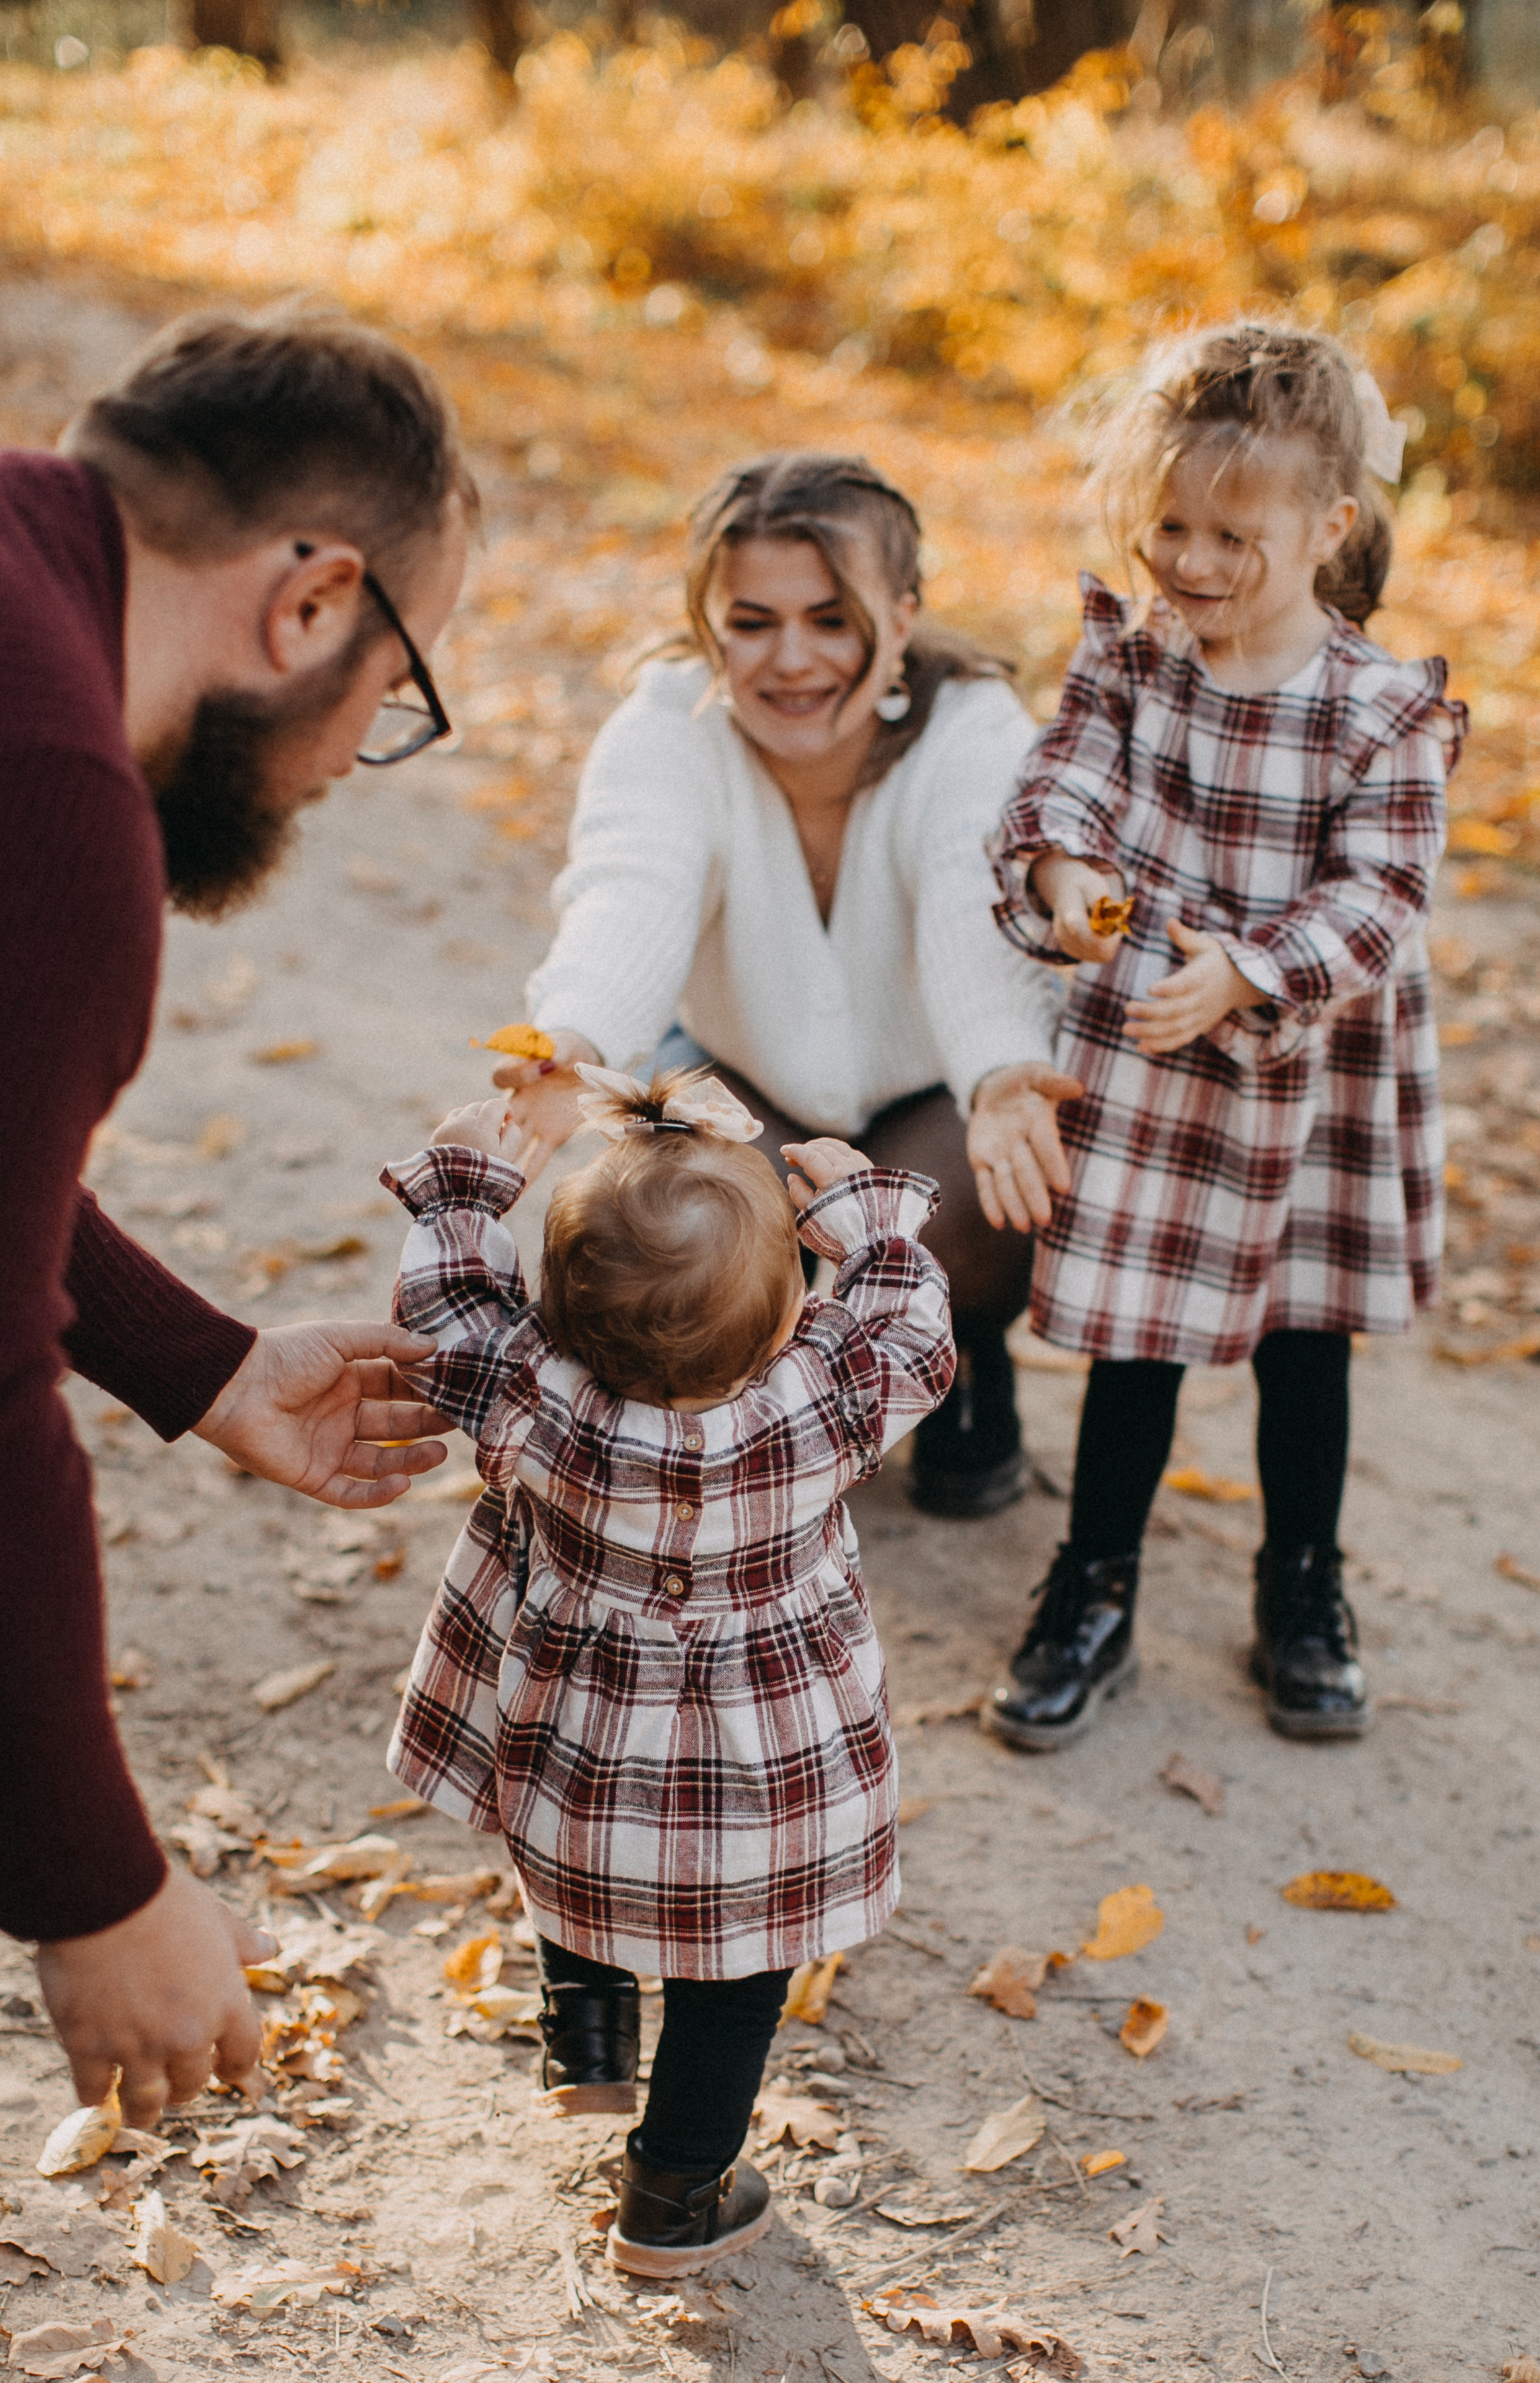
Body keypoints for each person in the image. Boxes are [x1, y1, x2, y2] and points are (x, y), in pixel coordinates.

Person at [0, 302, 478, 2129]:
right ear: (314, 600)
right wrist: (98, 1887)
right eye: (391, 704)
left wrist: (209, 1360)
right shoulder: (43, 788)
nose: (349, 763)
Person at [378, 1065, 953, 2276]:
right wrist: (863, 1219)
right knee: (739, 1959)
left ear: (554, 1306)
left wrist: (469, 1185)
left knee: (576, 1845)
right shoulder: (822, 1398)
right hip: (763, 1762)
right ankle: (677, 2193)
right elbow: (912, 1323)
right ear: (792, 1312)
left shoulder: (535, 1386)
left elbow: (444, 1310)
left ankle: (583, 2040)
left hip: (584, 1725)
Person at [983, 320, 1466, 1752]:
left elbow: (1382, 897)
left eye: (1229, 536)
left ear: (1326, 528)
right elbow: (1057, 779)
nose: (1189, 565)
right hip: (1147, 1064)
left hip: (1308, 1072)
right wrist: (1062, 879)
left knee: (1301, 1345)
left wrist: (1252, 974)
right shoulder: (1133, 659)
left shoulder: (1384, 708)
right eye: (1168, 528)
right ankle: (1093, 1579)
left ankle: (1299, 1586)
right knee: (1136, 1342)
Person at [491, 453, 1081, 1519]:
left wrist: (999, 1073)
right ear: (708, 623)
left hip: (935, 1088)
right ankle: (743, 1412)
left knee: (971, 1195)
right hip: (738, 1073)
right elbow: (633, 888)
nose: (791, 659)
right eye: (752, 621)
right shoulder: (669, 722)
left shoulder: (976, 733)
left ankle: (961, 1358)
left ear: (901, 618)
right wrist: (571, 1036)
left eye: (832, 619)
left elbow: (970, 919)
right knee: (687, 1214)